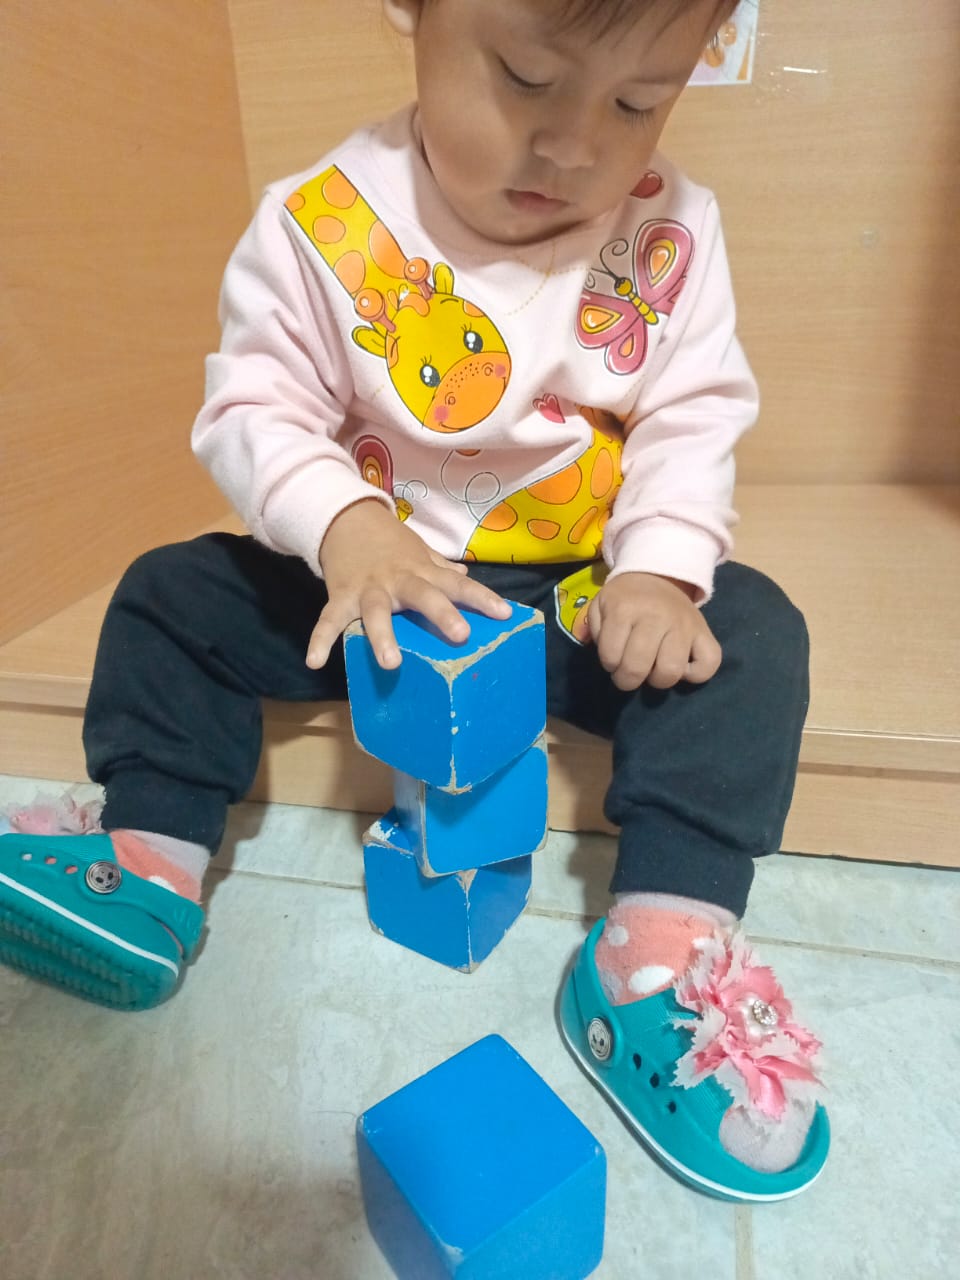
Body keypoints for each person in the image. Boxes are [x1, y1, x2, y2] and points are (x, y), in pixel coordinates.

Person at [0, 0, 829, 1200]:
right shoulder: (324, 221)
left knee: (753, 631)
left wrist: (656, 568)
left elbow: (692, 418)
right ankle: (149, 854)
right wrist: (346, 525)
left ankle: (661, 946)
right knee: (171, 592)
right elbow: (254, 407)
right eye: (525, 77)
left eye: (637, 101)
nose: (574, 145)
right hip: (364, 591)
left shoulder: (672, 232)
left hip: (572, 592)